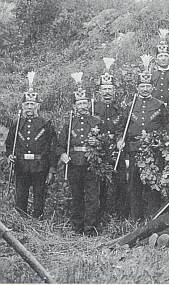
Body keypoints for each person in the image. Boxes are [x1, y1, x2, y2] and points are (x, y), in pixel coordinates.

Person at [117, 55, 169, 221]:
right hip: (134, 150)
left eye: (148, 85)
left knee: (154, 184)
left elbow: (166, 126)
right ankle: (136, 219)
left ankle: (155, 219)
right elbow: (121, 127)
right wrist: (120, 139)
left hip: (153, 150)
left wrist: (163, 141)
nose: (145, 89)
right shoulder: (130, 106)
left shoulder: (160, 105)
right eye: (142, 86)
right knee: (135, 185)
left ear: (152, 87)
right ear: (137, 88)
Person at [58, 73, 106, 235]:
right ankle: (77, 226)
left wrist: (98, 143)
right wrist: (63, 155)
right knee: (76, 196)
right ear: (74, 106)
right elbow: (59, 145)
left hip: (91, 164)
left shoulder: (97, 122)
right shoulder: (69, 123)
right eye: (79, 103)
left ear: (89, 104)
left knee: (92, 197)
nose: (83, 106)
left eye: (85, 103)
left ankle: (90, 228)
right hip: (74, 164)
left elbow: (106, 144)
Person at [6, 72, 57, 219]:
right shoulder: (17, 124)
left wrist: (52, 169)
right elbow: (9, 145)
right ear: (23, 106)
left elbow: (53, 148)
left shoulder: (46, 124)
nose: (29, 107)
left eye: (32, 104)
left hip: (40, 166)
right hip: (21, 165)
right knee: (21, 195)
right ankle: (20, 222)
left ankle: (37, 222)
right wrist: (9, 155)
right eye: (27, 104)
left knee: (39, 195)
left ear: (37, 106)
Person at [94, 58, 127, 219]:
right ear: (99, 91)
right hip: (99, 151)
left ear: (115, 91)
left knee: (120, 183)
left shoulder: (120, 109)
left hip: (116, 150)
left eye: (110, 89)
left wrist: (121, 139)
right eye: (104, 88)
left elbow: (123, 128)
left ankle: (120, 216)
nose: (107, 92)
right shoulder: (93, 109)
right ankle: (101, 216)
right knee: (100, 185)